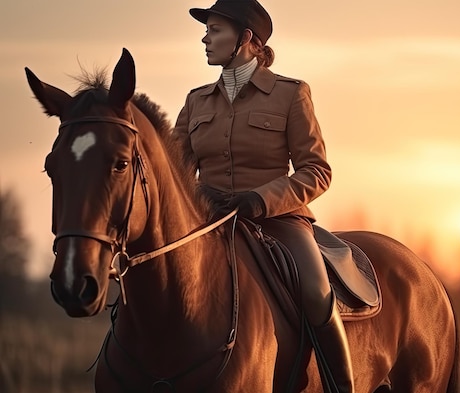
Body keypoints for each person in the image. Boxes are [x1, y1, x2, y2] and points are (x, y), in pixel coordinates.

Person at [171, 1, 353, 391]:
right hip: (209, 221)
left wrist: (259, 200)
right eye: (207, 30)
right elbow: (176, 176)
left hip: (278, 219)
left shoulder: (291, 94)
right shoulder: (195, 101)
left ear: (246, 39)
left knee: (317, 293)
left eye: (215, 29)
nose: (205, 37)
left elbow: (317, 171)